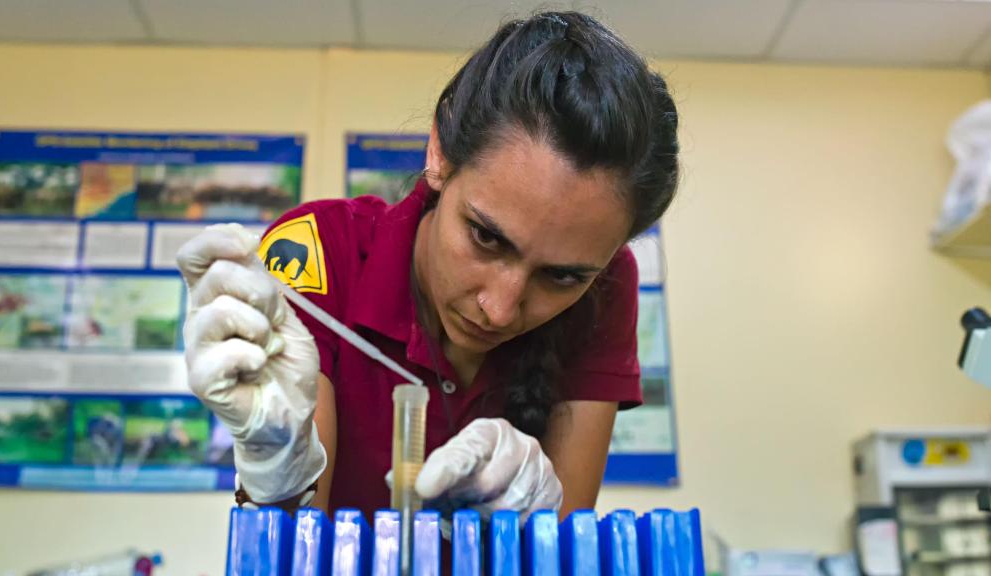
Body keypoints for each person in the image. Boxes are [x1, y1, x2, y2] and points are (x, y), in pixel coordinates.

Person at [176, 10, 679, 522]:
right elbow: (295, 540)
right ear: (439, 151)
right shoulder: (320, 251)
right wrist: (277, 465)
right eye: (486, 236)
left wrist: (536, 526)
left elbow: (566, 533)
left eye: (562, 276)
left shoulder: (606, 288)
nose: (499, 310)